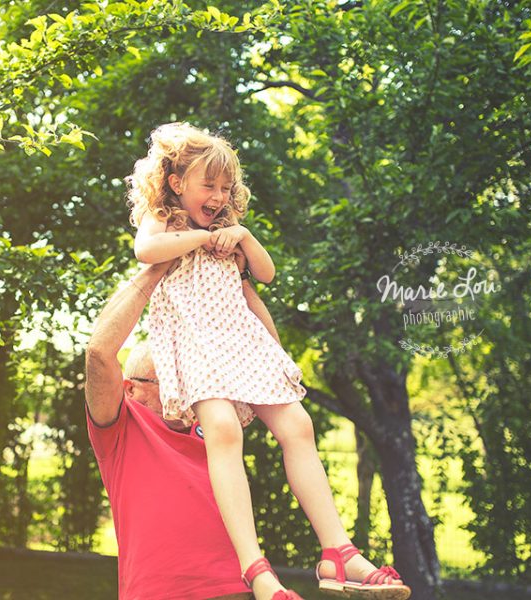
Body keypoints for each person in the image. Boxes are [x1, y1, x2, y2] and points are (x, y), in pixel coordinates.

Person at [124, 122, 411, 600]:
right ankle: (256, 569)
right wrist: (197, 239)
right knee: (224, 430)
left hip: (242, 343)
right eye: (206, 186)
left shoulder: (226, 230)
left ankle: (338, 551)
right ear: (177, 184)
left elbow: (266, 273)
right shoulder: (166, 220)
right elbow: (145, 249)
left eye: (224, 188)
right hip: (195, 345)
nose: (216, 196)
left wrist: (242, 234)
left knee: (299, 427)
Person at [85, 258, 255, 600]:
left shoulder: (214, 419)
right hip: (158, 593)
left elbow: (265, 356)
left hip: (234, 588)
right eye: (169, 378)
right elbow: (99, 353)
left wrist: (235, 274)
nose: (184, 387)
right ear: (131, 389)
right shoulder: (120, 430)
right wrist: (159, 266)